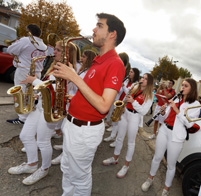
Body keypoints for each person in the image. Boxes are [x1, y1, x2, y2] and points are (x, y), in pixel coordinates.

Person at [52, 13, 126, 195]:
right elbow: (91, 92)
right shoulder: (98, 61)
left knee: (80, 177)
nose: (94, 29)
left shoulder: (115, 64)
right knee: (67, 169)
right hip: (73, 125)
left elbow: (103, 106)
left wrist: (74, 78)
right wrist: (74, 98)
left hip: (85, 131)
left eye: (99, 26)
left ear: (112, 34)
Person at [7, 40, 78, 185]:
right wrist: (37, 94)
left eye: (58, 50)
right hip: (41, 106)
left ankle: (44, 169)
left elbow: (53, 89)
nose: (55, 52)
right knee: (25, 135)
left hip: (51, 110)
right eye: (56, 49)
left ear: (66, 54)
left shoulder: (68, 70)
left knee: (43, 141)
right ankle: (31, 165)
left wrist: (33, 81)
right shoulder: (56, 66)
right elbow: (49, 88)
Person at [141, 78, 200, 196]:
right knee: (157, 157)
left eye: (186, 86)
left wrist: (176, 110)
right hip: (164, 130)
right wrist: (163, 112)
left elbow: (189, 124)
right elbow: (166, 116)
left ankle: (166, 189)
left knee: (171, 165)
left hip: (176, 136)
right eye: (182, 85)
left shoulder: (195, 104)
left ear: (192, 89)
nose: (182, 87)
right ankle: (150, 179)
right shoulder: (176, 98)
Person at [102, 73, 153, 178]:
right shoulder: (135, 88)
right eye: (142, 77)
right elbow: (126, 99)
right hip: (125, 113)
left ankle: (126, 165)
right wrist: (123, 106)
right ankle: (115, 158)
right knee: (119, 138)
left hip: (135, 117)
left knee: (131, 142)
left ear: (149, 82)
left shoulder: (149, 96)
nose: (142, 79)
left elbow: (143, 111)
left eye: (145, 79)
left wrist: (133, 102)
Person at [51, 49, 97, 165]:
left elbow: (84, 88)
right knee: (65, 128)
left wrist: (73, 94)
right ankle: (65, 146)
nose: (81, 59)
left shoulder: (89, 71)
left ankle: (64, 154)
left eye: (84, 57)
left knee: (68, 129)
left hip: (76, 101)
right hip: (72, 99)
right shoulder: (83, 69)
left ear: (89, 59)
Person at [6, 24, 47, 124]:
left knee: (21, 93)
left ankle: (22, 118)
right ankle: (28, 115)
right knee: (32, 95)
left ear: (29, 31)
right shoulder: (44, 45)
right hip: (37, 73)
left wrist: (16, 43)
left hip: (24, 71)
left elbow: (10, 50)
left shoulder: (26, 40)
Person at [104, 67, 140, 148]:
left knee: (120, 124)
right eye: (129, 71)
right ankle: (112, 136)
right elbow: (120, 91)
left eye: (131, 72)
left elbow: (129, 93)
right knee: (115, 119)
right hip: (119, 101)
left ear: (135, 74)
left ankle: (117, 140)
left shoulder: (136, 84)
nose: (129, 73)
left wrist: (123, 86)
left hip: (125, 105)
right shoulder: (127, 80)